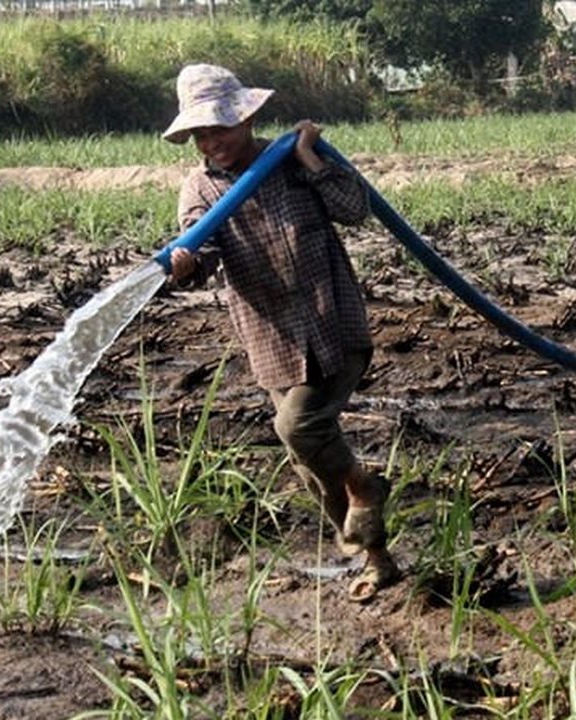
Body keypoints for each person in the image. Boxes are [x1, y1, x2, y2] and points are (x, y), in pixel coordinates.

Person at [163, 63, 399, 601]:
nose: (211, 142)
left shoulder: (290, 162)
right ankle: (378, 560)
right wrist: (185, 264)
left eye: (219, 128)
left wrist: (312, 160)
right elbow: (202, 255)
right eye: (200, 134)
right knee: (307, 460)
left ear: (246, 120)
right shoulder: (199, 190)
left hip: (334, 325)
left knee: (299, 426)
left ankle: (364, 485)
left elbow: (355, 209)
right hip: (273, 342)